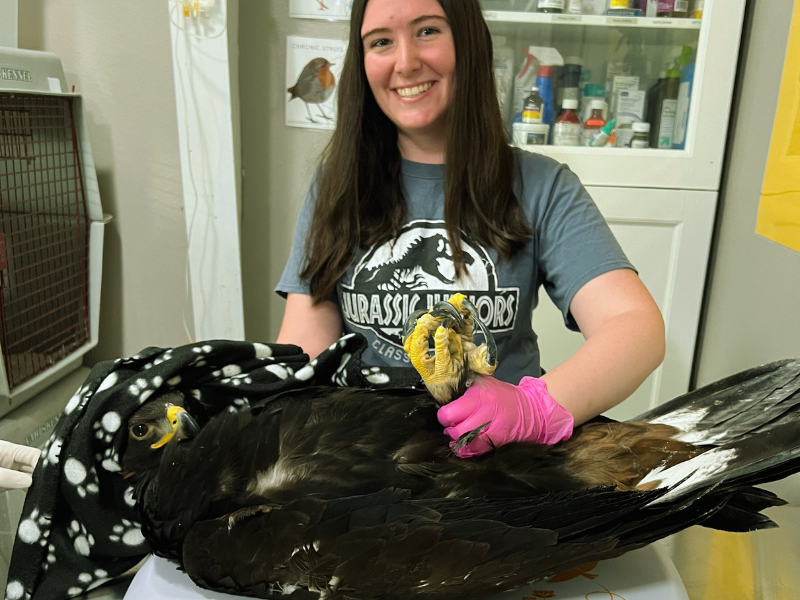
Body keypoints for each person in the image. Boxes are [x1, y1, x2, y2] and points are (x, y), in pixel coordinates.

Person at [276, 0, 665, 456]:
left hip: (503, 470)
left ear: (468, 43)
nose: (405, 62)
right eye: (380, 41)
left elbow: (635, 329)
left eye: (427, 31)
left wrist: (533, 409)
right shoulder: (335, 186)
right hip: (368, 467)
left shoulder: (541, 185)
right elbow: (306, 351)